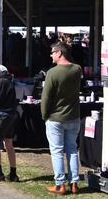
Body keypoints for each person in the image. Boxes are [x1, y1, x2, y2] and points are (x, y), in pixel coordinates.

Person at [41, 42, 81, 194]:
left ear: (59, 53)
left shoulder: (53, 72)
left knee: (57, 151)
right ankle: (74, 183)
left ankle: (60, 184)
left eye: (52, 52)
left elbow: (46, 98)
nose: (51, 55)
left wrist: (44, 115)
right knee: (72, 149)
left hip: (56, 117)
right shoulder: (77, 69)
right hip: (73, 116)